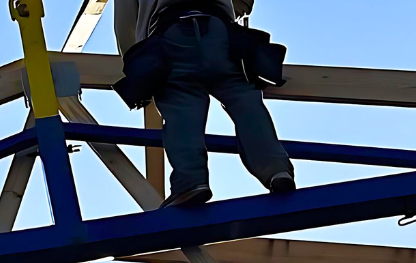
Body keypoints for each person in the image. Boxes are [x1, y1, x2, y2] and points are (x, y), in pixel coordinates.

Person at [114, 0, 294, 207]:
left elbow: (125, 24)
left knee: (182, 109)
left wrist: (135, 67)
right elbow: (244, 3)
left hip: (171, 33)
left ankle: (190, 182)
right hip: (221, 32)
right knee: (245, 101)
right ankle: (276, 169)